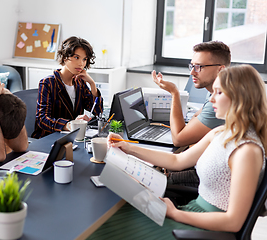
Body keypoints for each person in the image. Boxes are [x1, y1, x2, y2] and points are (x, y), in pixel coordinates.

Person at [88, 64, 267, 239]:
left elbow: (233, 222)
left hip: (207, 228)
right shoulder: (222, 132)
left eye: (219, 93)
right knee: (112, 217)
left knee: (105, 228)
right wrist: (128, 148)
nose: (212, 98)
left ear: (240, 98)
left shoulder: (247, 151)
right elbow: (178, 161)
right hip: (193, 212)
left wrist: (174, 213)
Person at [152, 41, 231, 188]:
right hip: (208, 166)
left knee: (151, 177)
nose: (192, 72)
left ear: (220, 70)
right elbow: (195, 117)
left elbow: (179, 138)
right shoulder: (216, 93)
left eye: (199, 67)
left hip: (210, 177)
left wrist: (174, 93)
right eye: (192, 66)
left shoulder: (222, 101)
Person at [32, 36, 103, 139]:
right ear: (65, 57)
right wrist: (70, 125)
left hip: (72, 138)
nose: (81, 63)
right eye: (76, 57)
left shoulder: (80, 83)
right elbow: (42, 119)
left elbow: (98, 112)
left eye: (84, 59)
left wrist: (92, 84)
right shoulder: (48, 83)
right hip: (49, 138)